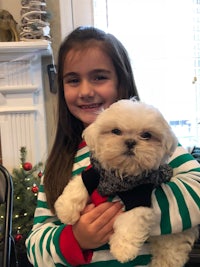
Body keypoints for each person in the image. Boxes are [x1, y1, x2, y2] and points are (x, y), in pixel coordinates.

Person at [26, 26, 200, 267]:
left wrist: (134, 212)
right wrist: (76, 238)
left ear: (122, 81)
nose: (86, 91)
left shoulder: (157, 144)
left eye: (99, 77)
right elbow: (35, 245)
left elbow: (197, 191)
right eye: (73, 80)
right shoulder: (60, 162)